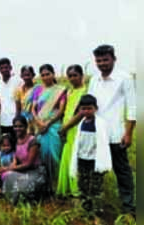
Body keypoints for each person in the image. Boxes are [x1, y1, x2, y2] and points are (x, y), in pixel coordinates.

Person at [88, 44, 136, 216]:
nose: (102, 63)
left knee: (122, 171)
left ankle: (129, 207)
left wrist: (128, 133)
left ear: (113, 59)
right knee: (96, 171)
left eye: (105, 59)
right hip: (97, 133)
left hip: (116, 133)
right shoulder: (94, 80)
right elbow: (89, 105)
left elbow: (132, 108)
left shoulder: (125, 78)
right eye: (98, 60)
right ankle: (96, 206)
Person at [70, 94, 112, 216]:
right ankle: (86, 210)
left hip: (95, 161)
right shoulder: (81, 124)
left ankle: (97, 212)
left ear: (95, 108)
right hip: (82, 159)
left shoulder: (100, 124)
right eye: (83, 108)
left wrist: (103, 161)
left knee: (95, 188)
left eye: (89, 108)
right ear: (79, 110)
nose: (86, 111)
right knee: (83, 185)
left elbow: (103, 144)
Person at [31, 64, 66, 185]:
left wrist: (48, 123)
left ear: (53, 74)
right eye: (43, 75)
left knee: (55, 154)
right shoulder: (37, 90)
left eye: (48, 74)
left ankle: (55, 183)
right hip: (39, 126)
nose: (45, 77)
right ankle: (43, 184)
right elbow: (33, 109)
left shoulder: (60, 90)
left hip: (54, 126)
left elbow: (61, 111)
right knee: (41, 154)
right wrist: (39, 123)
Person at [2, 116, 48, 204]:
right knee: (7, 175)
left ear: (26, 127)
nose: (17, 129)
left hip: (35, 171)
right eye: (15, 126)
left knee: (23, 187)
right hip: (23, 170)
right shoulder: (17, 140)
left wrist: (11, 168)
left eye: (20, 126)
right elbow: (16, 156)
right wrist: (11, 166)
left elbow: (29, 164)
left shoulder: (32, 141)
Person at [56, 65, 87, 197]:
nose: (72, 78)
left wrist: (65, 127)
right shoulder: (69, 91)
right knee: (67, 157)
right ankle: (67, 189)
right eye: (70, 76)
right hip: (67, 127)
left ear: (81, 75)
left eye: (75, 75)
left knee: (75, 158)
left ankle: (77, 191)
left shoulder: (86, 91)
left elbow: (81, 113)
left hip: (77, 128)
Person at [0, 57, 23, 138]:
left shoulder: (19, 81)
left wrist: (19, 116)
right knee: (7, 144)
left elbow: (22, 100)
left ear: (10, 68)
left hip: (17, 120)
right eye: (1, 68)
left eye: (6, 67)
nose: (4, 70)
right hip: (2, 120)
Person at [15, 65, 36, 134]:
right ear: (21, 76)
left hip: (36, 119)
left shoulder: (39, 89)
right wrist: (17, 122)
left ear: (33, 75)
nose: (26, 77)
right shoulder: (18, 90)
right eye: (24, 75)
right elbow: (18, 109)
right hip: (23, 120)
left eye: (28, 75)